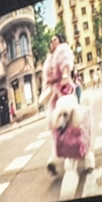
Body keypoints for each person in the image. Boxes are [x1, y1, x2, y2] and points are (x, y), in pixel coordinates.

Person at [40, 34, 75, 174]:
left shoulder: (63, 50)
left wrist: (65, 75)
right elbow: (46, 78)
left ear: (60, 41)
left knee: (67, 123)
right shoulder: (48, 59)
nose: (52, 42)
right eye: (51, 40)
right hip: (53, 95)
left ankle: (71, 154)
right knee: (54, 126)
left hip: (64, 90)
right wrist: (45, 92)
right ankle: (54, 157)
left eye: (55, 39)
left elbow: (66, 64)